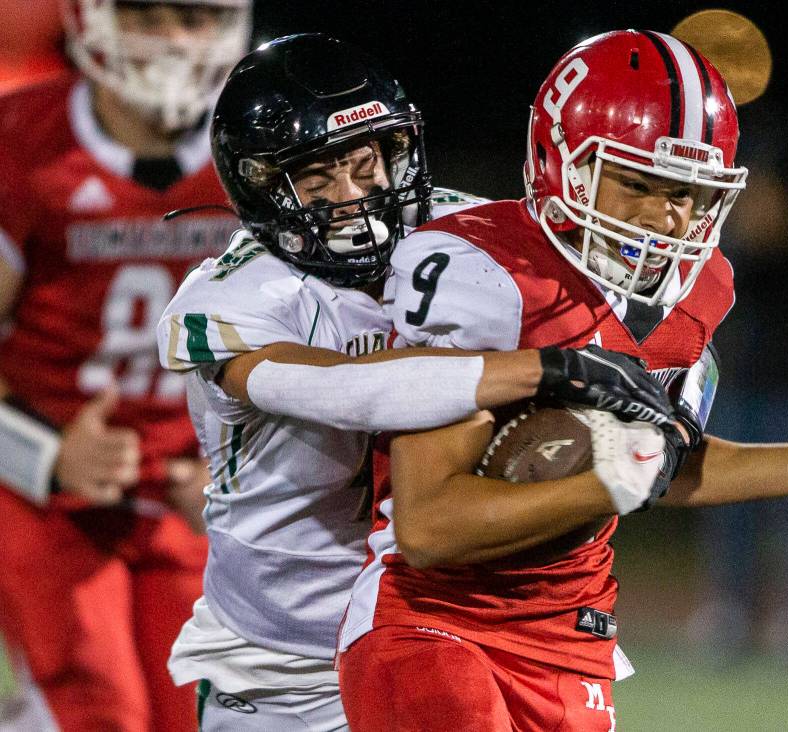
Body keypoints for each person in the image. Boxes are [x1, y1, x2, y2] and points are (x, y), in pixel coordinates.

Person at [335, 30, 788, 731]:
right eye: (637, 182)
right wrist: (603, 483)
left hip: (570, 642)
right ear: (560, 162)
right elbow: (427, 527)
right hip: (436, 625)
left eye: (688, 194)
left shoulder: (700, 289)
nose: (666, 217)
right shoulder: (482, 274)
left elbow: (660, 465)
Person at [156, 34, 677, 731]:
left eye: (364, 162)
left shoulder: (461, 233)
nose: (351, 195)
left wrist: (671, 379)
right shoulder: (232, 298)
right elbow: (345, 390)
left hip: (446, 627)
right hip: (288, 667)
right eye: (316, 177)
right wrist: (548, 368)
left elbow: (603, 278)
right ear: (260, 183)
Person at [0, 1, 251, 730]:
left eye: (198, 17)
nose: (174, 40)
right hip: (49, 499)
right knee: (93, 705)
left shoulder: (261, 144)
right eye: (148, 12)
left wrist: (249, 467)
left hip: (196, 497)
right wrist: (43, 456)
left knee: (199, 713)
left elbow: (325, 344)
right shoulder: (22, 142)